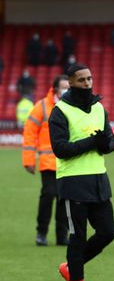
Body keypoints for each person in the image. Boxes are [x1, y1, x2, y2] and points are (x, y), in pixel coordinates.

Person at [50, 64, 114, 281]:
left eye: (89, 78)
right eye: (81, 80)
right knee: (77, 237)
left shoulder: (99, 107)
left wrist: (104, 143)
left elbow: (110, 142)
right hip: (73, 181)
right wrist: (92, 142)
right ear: (71, 83)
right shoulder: (60, 111)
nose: (88, 83)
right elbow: (61, 150)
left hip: (99, 180)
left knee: (108, 232)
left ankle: (70, 268)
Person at [23, 75, 70, 247]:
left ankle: (61, 236)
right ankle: (41, 233)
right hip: (48, 161)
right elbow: (30, 132)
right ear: (55, 89)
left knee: (65, 199)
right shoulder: (42, 106)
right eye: (64, 86)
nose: (66, 89)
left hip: (67, 161)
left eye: (68, 86)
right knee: (49, 195)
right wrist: (29, 160)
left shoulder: (72, 105)